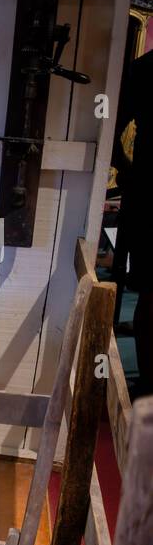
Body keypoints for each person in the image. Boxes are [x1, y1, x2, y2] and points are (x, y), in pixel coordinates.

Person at [113, 49, 153, 392]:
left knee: (149, 297)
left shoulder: (143, 69)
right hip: (144, 195)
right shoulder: (142, 69)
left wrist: (129, 171)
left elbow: (112, 129)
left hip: (145, 196)